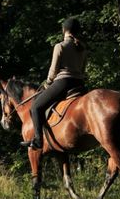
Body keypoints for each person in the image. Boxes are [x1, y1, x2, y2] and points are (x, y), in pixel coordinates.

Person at [23, 17, 87, 149]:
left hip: (63, 83)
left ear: (64, 30)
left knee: (35, 107)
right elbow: (82, 69)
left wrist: (47, 83)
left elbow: (53, 70)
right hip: (80, 84)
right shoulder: (82, 48)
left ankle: (38, 141)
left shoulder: (60, 46)